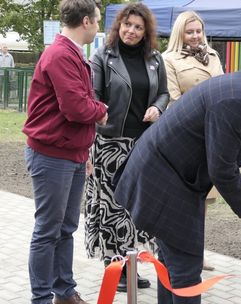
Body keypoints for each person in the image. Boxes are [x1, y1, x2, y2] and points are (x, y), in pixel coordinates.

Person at [113, 55, 241, 304]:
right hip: (163, 179)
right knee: (186, 269)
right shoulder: (239, 99)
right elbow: (222, 168)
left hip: (171, 175)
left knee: (174, 264)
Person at [21, 1, 107, 303]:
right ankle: (42, 297)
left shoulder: (72, 54)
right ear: (85, 21)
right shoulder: (60, 54)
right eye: (96, 20)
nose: (98, 26)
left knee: (66, 228)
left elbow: (79, 102)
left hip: (71, 155)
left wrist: (83, 153)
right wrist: (102, 111)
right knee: (48, 231)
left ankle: (64, 291)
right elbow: (76, 107)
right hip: (51, 155)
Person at [84, 2, 169, 292]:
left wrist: (158, 108)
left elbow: (164, 93)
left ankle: (130, 265)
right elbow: (93, 95)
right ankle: (114, 267)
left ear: (146, 32)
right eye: (127, 25)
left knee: (135, 207)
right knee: (112, 207)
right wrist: (101, 110)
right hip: (109, 143)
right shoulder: (103, 57)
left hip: (143, 144)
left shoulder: (155, 59)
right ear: (118, 26)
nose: (131, 31)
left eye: (138, 27)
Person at [163, 10, 224, 271]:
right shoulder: (168, 59)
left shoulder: (213, 56)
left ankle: (196, 254)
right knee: (180, 202)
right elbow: (173, 100)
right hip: (187, 137)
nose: (195, 36)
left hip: (212, 138)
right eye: (190, 32)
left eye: (198, 31)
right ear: (180, 33)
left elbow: (223, 89)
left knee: (203, 201)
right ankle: (174, 256)